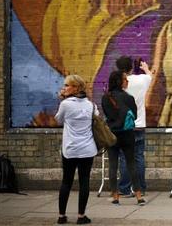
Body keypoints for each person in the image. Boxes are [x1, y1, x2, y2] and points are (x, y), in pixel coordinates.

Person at [55, 75, 96, 225]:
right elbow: (96, 120)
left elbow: (58, 120)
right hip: (87, 149)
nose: (64, 88)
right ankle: (81, 216)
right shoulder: (91, 105)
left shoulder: (65, 104)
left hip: (70, 149)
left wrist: (61, 100)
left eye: (67, 85)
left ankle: (62, 216)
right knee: (84, 182)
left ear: (76, 88)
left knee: (67, 181)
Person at [101, 70, 145, 206]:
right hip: (127, 134)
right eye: (125, 79)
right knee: (131, 164)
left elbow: (107, 115)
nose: (127, 81)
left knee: (113, 165)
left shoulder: (106, 98)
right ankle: (139, 196)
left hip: (112, 134)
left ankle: (115, 196)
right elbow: (135, 116)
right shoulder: (129, 98)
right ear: (119, 81)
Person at [115, 56, 152, 196]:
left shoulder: (118, 83)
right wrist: (145, 68)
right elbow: (150, 76)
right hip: (140, 124)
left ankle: (124, 188)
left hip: (125, 126)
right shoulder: (141, 80)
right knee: (138, 157)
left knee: (125, 157)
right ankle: (141, 188)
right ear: (131, 67)